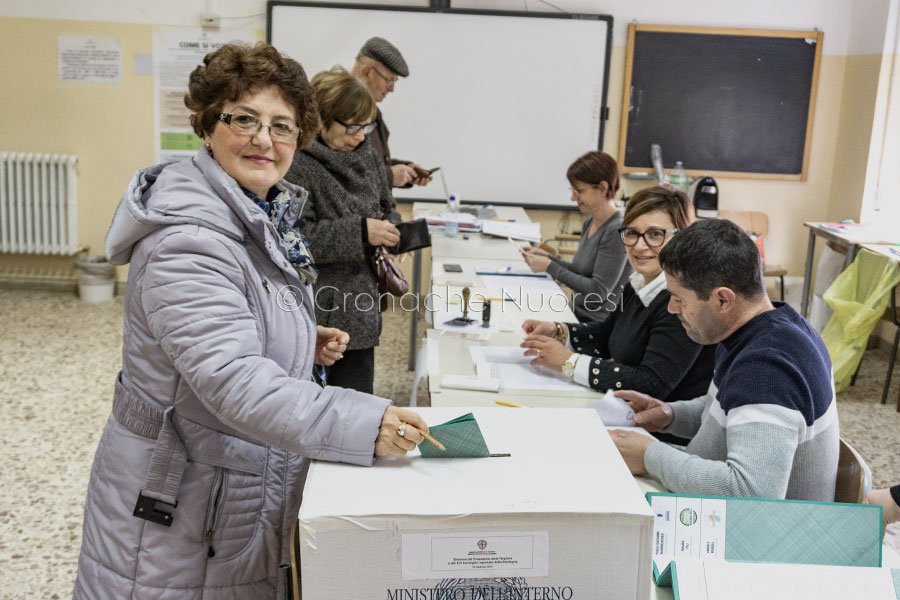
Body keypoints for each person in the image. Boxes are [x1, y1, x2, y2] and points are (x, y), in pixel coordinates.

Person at [74, 43, 428, 599]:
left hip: (220, 486)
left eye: (282, 126)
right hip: (182, 504)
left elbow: (225, 327)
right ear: (209, 124)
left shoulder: (255, 211)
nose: (265, 138)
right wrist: (364, 422)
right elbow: (233, 381)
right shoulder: (188, 241)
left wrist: (293, 342)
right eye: (245, 119)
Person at [610, 218, 840, 501]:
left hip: (765, 537)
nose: (672, 309)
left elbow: (752, 492)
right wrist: (671, 415)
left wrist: (649, 456)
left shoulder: (768, 368)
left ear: (722, 300)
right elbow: (727, 410)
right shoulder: (757, 327)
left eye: (679, 299)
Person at [521, 187, 714, 442]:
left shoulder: (681, 300)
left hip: (662, 440)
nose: (639, 245)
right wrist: (560, 331)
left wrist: (569, 363)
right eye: (632, 233)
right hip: (627, 420)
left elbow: (651, 383)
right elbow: (606, 335)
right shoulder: (642, 281)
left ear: (681, 237)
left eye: (655, 234)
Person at [286, 66, 402, 394]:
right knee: (318, 404)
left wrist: (394, 233)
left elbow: (386, 204)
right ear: (322, 120)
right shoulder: (297, 165)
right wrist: (362, 232)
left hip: (363, 304)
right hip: (321, 308)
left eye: (367, 126)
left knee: (357, 398)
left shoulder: (367, 156)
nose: (360, 136)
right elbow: (295, 239)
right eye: (352, 127)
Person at [522, 151, 630, 323]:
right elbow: (581, 272)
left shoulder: (616, 230)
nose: (573, 197)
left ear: (603, 187)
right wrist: (547, 258)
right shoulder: (591, 222)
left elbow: (598, 291)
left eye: (579, 191)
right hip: (578, 313)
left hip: (597, 324)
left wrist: (550, 266)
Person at [351, 36, 432, 188]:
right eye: (389, 80)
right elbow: (341, 172)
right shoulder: (339, 110)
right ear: (367, 72)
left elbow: (373, 163)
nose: (392, 89)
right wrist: (389, 175)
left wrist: (406, 170)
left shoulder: (372, 110)